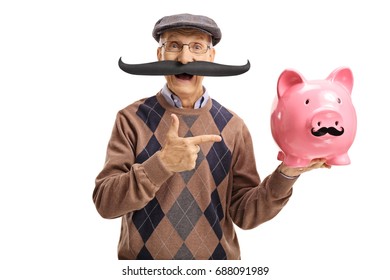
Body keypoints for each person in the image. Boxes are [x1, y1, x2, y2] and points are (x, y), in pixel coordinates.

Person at [93, 13, 330, 260]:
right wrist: (161, 165)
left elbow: (245, 214)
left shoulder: (233, 127)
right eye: (173, 46)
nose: (185, 59)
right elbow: (105, 204)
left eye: (197, 47)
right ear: (159, 55)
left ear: (211, 57)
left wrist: (287, 174)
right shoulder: (131, 119)